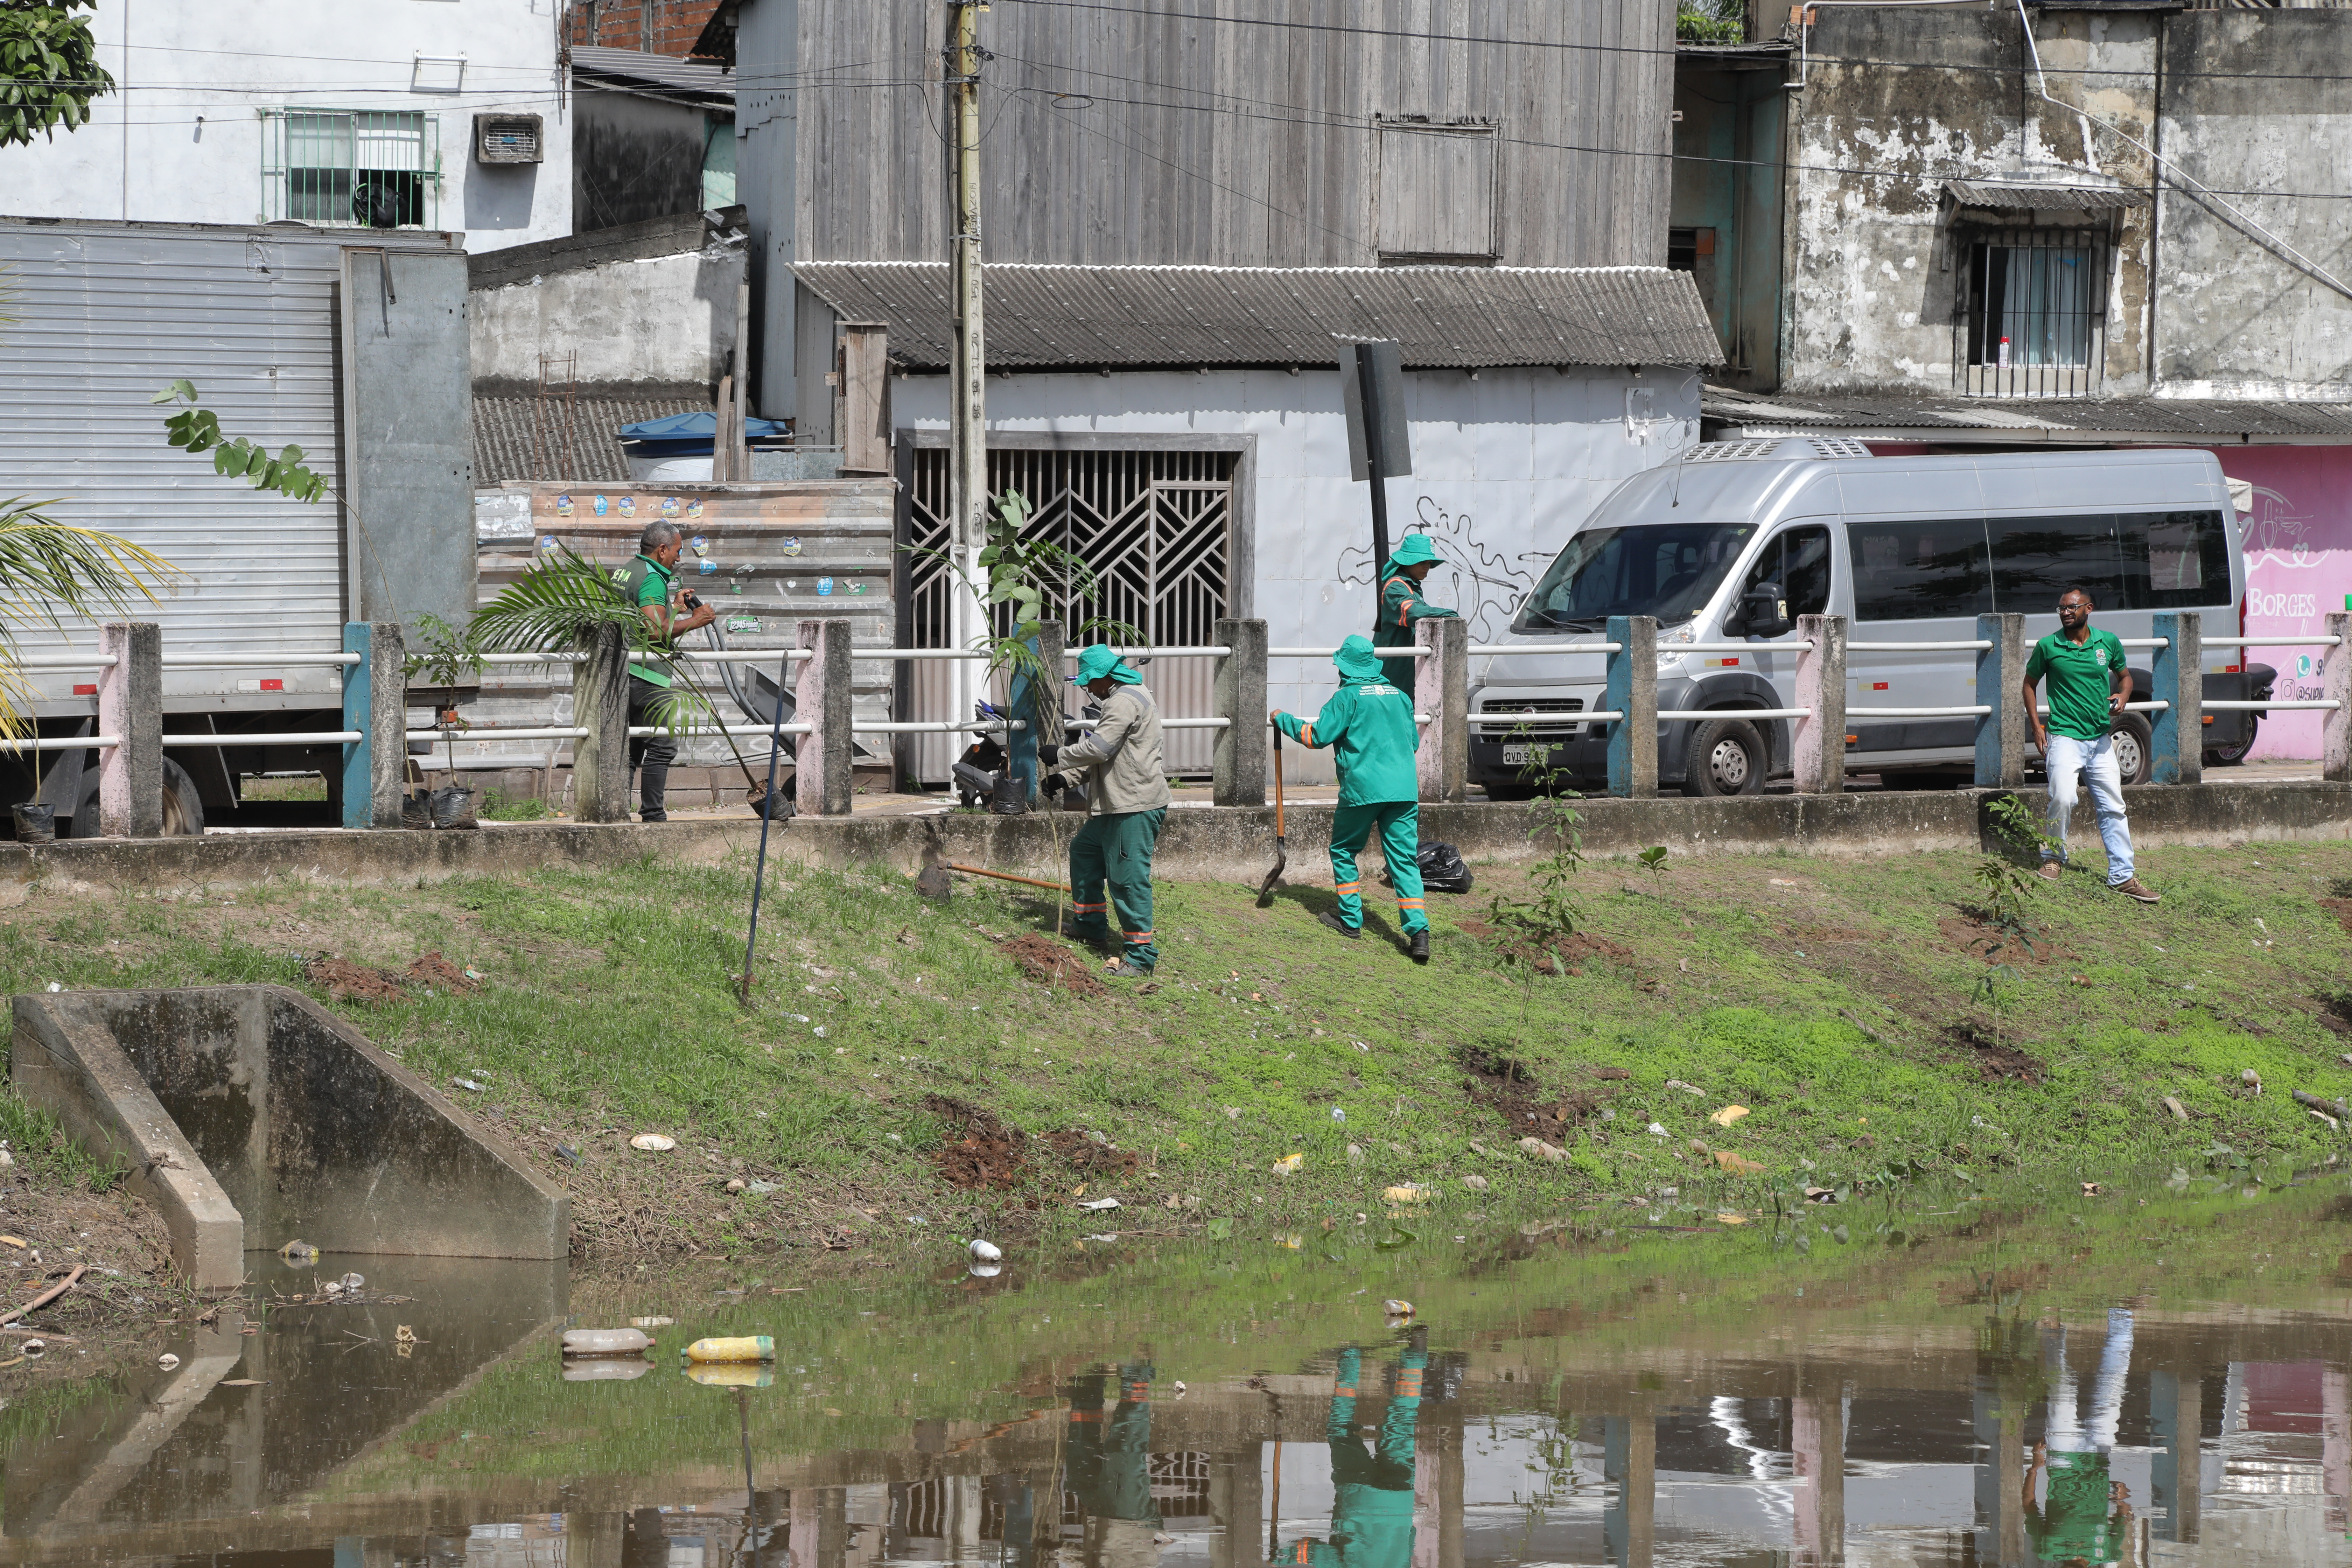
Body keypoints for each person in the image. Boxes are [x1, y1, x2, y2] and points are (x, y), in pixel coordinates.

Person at [1273, 635, 1431, 962]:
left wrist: (1282, 719)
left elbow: (1316, 737)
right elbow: (1413, 744)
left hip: (1362, 790)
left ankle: (1350, 921)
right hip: (1403, 791)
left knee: (1344, 850)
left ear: (1345, 669)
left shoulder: (1346, 698)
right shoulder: (1401, 697)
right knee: (1404, 860)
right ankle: (1419, 934)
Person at [1040, 646, 1169, 978]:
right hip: (1115, 805)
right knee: (1084, 853)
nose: (1088, 689)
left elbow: (1099, 750)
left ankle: (1140, 957)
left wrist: (1059, 756)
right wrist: (1064, 779)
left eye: (1089, 682)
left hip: (1132, 806)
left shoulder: (1123, 700)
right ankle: (1090, 926)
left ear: (1104, 677)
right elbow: (1109, 757)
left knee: (1128, 881)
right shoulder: (1123, 696)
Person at [2024, 587, 2158, 903]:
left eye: (2072, 608)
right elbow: (2029, 685)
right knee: (2063, 798)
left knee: (2114, 807)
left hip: (2100, 739)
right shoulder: (2048, 646)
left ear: (2089, 609)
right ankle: (2054, 857)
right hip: (2064, 736)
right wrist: (2036, 727)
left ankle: (2122, 876)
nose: (2065, 613)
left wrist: (2123, 696)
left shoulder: (2107, 642)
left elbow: (2126, 677)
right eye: (2061, 609)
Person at [1285, 1330, 1430, 1568]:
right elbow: (1316, 1553)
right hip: (1359, 1500)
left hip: (1400, 1500)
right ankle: (1349, 1359)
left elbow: (1411, 1537)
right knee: (1341, 1432)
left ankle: (1415, 1355)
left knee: (1402, 1426)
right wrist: (1285, 1557)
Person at [616, 520, 716, 822]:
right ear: (662, 550)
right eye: (677, 550)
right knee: (662, 746)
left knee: (632, 750)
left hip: (625, 673)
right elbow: (654, 632)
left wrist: (674, 608)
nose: (679, 557)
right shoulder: (652, 578)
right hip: (647, 676)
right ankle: (654, 816)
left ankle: (616, 814)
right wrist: (696, 620)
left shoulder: (627, 570)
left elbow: (640, 620)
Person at [2025, 1309, 2136, 1567]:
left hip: (2062, 1459)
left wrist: (2035, 1466)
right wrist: (2122, 1500)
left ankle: (2052, 1331)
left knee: (2061, 1393)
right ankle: (2122, 1318)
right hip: (2099, 1458)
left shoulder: (2047, 1549)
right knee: (2112, 1387)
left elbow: (2029, 1505)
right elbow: (2123, 1518)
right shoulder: (2106, 1554)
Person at [1066, 1362, 1159, 1568]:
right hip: (1131, 1525)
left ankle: (1088, 1378)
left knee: (1079, 1454)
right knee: (1125, 1447)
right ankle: (1137, 1366)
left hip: (1097, 1524)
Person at [1374, 532, 1459, 649]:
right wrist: (1448, 614)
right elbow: (1413, 612)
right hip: (1393, 660)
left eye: (1429, 563)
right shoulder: (1395, 586)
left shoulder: (1411, 586)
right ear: (1407, 561)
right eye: (1422, 562)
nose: (1427, 567)